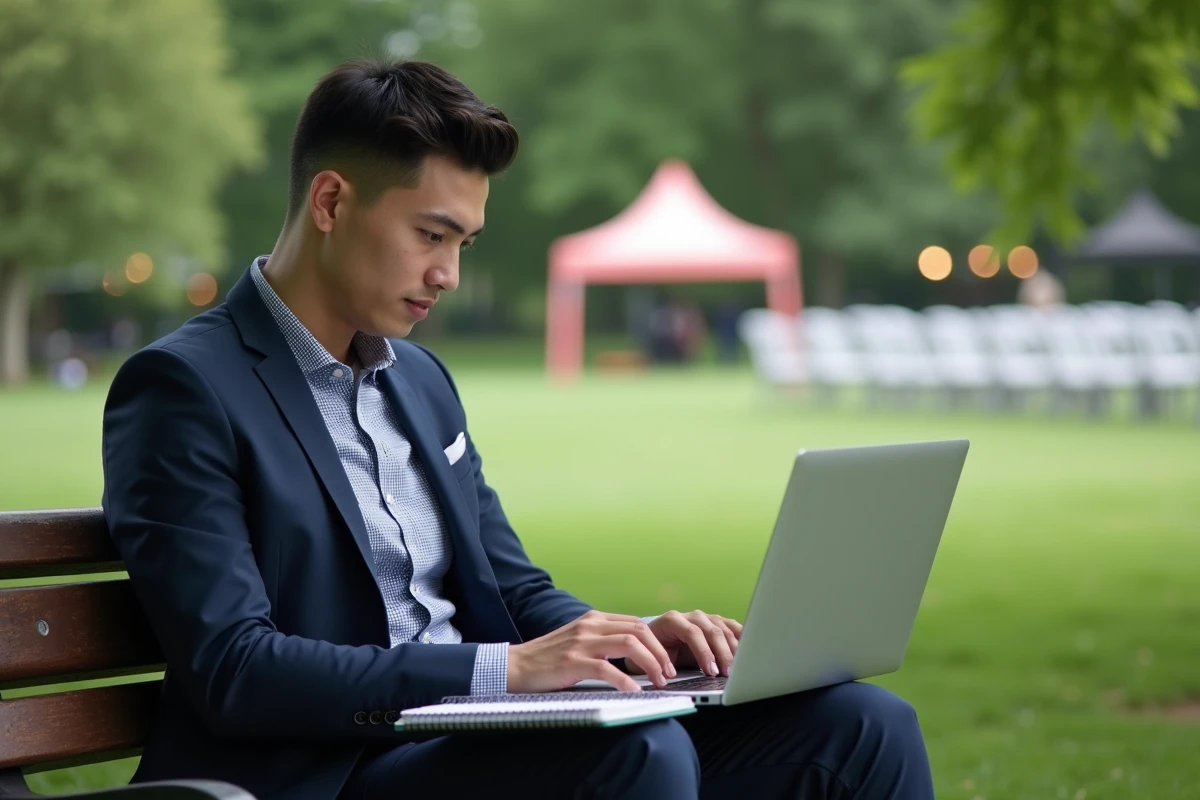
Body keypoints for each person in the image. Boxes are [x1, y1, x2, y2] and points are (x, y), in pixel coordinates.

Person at [101, 59, 933, 800]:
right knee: (633, 758)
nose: (448, 275)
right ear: (330, 201)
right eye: (430, 235)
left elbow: (513, 589)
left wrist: (637, 647)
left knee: (861, 726)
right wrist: (507, 670)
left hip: (473, 740)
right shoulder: (183, 388)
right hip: (324, 767)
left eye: (463, 242)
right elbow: (235, 668)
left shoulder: (419, 381)